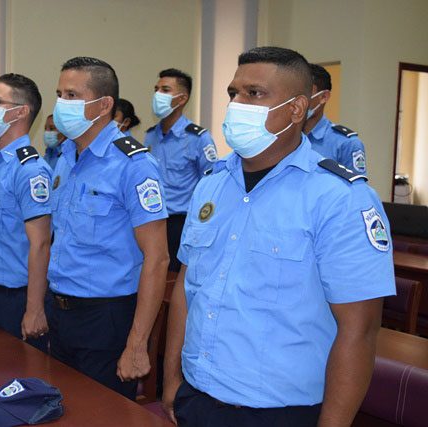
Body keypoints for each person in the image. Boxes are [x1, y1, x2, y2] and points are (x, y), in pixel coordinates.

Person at [162, 47, 395, 427]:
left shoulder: (340, 198)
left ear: (296, 108)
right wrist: (171, 378)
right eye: (233, 93)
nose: (237, 104)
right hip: (197, 397)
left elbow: (360, 331)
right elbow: (187, 291)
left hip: (279, 413)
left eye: (254, 93)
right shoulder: (211, 185)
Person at [48, 57, 169, 400]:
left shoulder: (134, 165)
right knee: (62, 408)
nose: (62, 103)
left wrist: (137, 344)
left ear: (103, 105)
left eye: (72, 95)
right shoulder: (66, 156)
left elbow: (158, 258)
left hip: (105, 317)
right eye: (59, 94)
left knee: (101, 413)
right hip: (60, 309)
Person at [0, 73, 52, 351]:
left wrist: (34, 309)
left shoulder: (30, 170)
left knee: (16, 373)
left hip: (16, 299)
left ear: (20, 112)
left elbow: (41, 244)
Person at [144, 68, 218, 272]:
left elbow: (212, 184)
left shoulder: (198, 138)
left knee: (174, 278)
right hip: (152, 219)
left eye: (165, 90)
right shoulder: (150, 135)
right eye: (156, 89)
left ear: (182, 98)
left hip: (180, 222)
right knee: (151, 273)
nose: (158, 94)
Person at [304, 63, 367, 174]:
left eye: (305, 93)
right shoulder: (284, 137)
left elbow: (356, 184)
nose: (297, 101)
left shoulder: (346, 143)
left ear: (323, 97)